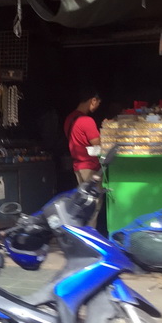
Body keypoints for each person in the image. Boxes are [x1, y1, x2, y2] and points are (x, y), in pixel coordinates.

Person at [64, 91, 101, 226]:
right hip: (90, 167)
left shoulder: (69, 119)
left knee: (84, 204)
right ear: (93, 100)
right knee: (93, 205)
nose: (97, 106)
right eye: (98, 103)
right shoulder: (86, 120)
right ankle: (92, 237)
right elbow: (97, 143)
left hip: (78, 166)